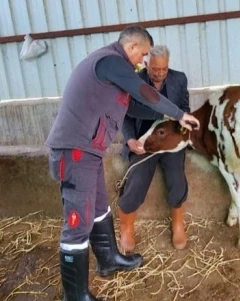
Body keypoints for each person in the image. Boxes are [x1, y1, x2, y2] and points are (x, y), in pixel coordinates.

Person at [45, 26, 199, 301]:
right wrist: (177, 112)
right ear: (131, 47)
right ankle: (75, 295)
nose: (143, 61)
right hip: (74, 151)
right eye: (142, 55)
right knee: (78, 223)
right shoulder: (111, 61)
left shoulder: (114, 75)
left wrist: (177, 118)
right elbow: (143, 92)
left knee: (100, 210)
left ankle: (109, 260)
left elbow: (136, 107)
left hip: (89, 152)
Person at [118, 45, 190, 251]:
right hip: (143, 141)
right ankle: (127, 227)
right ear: (146, 63)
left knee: (177, 176)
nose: (159, 74)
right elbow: (126, 115)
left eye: (164, 69)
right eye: (155, 69)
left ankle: (177, 224)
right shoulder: (134, 81)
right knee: (137, 178)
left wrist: (183, 132)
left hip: (169, 140)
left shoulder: (179, 79)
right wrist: (130, 140)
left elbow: (184, 110)